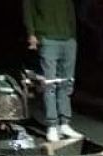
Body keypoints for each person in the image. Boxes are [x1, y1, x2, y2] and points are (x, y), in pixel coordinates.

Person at [25, 0, 82, 143]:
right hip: (48, 38)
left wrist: (73, 37)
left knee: (66, 82)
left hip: (68, 40)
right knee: (49, 84)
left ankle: (64, 124)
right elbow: (28, 9)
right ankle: (52, 125)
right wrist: (31, 34)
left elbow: (70, 12)